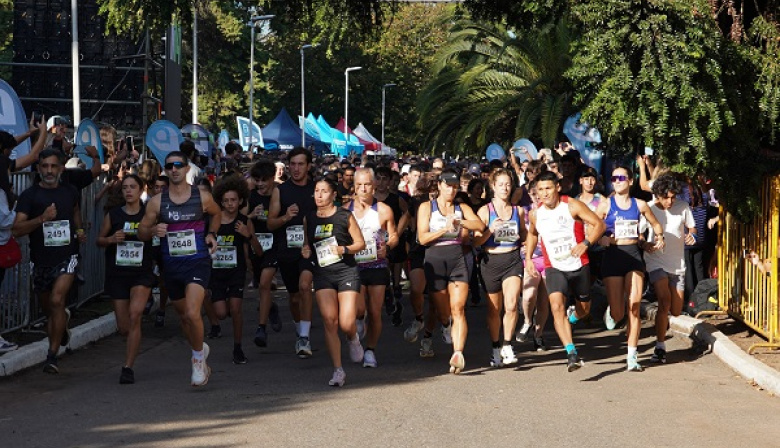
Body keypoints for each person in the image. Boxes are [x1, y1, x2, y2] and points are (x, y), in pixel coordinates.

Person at [138, 151, 221, 387]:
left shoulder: (201, 196)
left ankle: (197, 361)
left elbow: (216, 214)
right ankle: (200, 347)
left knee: (194, 312)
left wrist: (212, 234)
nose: (174, 169)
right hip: (171, 266)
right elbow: (142, 232)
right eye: (169, 166)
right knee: (185, 317)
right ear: (165, 170)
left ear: (186, 169)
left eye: (178, 165)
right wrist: (153, 231)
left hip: (197, 261)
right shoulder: (157, 202)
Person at [13, 148, 87, 373]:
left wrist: (80, 229)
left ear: (62, 168)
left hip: (67, 256)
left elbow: (75, 211)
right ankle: (61, 325)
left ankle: (52, 356)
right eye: (44, 166)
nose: (49, 171)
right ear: (38, 168)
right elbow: (16, 229)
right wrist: (42, 219)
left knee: (56, 300)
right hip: (40, 259)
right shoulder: (30, 196)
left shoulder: (70, 191)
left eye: (54, 166)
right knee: (50, 309)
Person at [524, 171, 605, 372]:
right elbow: (532, 234)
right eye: (540, 190)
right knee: (556, 307)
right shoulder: (536, 213)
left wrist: (586, 243)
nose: (544, 194)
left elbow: (599, 224)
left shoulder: (572, 205)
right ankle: (571, 353)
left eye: (548, 188)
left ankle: (573, 318)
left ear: (557, 187)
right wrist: (528, 259)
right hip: (554, 267)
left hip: (579, 265)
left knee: (584, 309)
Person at [596, 165, 664, 372]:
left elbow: (656, 224)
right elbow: (591, 226)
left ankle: (632, 356)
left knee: (634, 306)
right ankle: (612, 311)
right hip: (613, 256)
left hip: (633, 256)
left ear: (631, 181)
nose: (617, 181)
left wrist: (659, 238)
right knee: (619, 314)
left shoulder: (640, 204)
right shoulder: (605, 204)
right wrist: (601, 238)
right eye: (614, 178)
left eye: (622, 178)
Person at [417, 168, 486, 374]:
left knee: (459, 308)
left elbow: (480, 225)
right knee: (443, 310)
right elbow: (422, 238)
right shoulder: (426, 207)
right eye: (447, 185)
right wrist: (443, 230)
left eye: (455, 186)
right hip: (435, 259)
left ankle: (458, 353)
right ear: (439, 186)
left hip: (457, 258)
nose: (451, 190)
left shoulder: (461, 207)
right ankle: (445, 324)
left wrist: (460, 222)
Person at [301, 177, 366, 386]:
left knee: (347, 322)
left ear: (333, 195)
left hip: (346, 271)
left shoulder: (344, 216)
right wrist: (306, 250)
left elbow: (360, 243)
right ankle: (338, 370)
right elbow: (307, 244)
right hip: (323, 274)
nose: (319, 195)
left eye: (324, 191)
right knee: (330, 321)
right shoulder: (309, 218)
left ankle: (353, 337)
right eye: (316, 191)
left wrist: (343, 249)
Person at [96, 174, 155, 383]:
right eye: (125, 188)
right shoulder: (114, 215)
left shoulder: (149, 214)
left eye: (133, 187)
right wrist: (111, 239)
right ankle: (133, 339)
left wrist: (153, 232)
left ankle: (128, 367)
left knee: (135, 314)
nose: (128, 191)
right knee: (123, 327)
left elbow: (157, 236)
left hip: (141, 272)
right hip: (118, 273)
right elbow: (99, 240)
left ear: (141, 190)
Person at [474, 168, 526, 367]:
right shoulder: (485, 211)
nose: (505, 188)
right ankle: (495, 347)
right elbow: (476, 243)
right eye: (501, 184)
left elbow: (523, 234)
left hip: (512, 260)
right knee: (494, 310)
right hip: (491, 263)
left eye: (508, 184)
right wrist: (490, 230)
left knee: (512, 304)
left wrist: (528, 244)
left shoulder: (517, 210)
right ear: (493, 187)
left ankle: (507, 344)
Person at [208, 174, 263, 364]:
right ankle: (228, 308)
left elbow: (258, 251)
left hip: (236, 272)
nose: (230, 204)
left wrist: (248, 235)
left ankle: (238, 348)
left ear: (240, 200)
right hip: (216, 273)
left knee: (236, 309)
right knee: (222, 313)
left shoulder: (243, 221)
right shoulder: (213, 221)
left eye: (233, 200)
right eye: (226, 201)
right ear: (220, 202)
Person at [267, 147, 316, 358]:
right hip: (287, 249)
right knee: (294, 296)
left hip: (310, 249)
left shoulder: (317, 189)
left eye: (300, 164)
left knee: (306, 287)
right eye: (293, 164)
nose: (296, 169)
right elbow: (270, 223)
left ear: (308, 166)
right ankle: (300, 328)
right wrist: (286, 217)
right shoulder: (281, 190)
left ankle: (304, 338)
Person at [346, 168, 398, 368]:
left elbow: (393, 235)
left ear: (374, 185)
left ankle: (370, 350)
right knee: (358, 309)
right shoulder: (346, 210)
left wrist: (389, 245)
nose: (363, 188)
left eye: (367, 184)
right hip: (354, 266)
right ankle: (359, 320)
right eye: (359, 185)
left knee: (375, 311)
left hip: (377, 265)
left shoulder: (383, 210)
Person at [644, 174, 696, 364]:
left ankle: (661, 329)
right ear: (658, 195)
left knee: (675, 310)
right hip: (655, 261)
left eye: (673, 197)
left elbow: (692, 228)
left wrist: (692, 236)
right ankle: (660, 347)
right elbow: (640, 236)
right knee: (664, 300)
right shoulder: (648, 209)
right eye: (666, 197)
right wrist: (646, 245)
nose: (670, 201)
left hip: (677, 264)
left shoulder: (682, 207)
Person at [246, 160, 283, 347]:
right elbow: (241, 218)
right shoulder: (251, 196)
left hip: (275, 245)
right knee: (263, 286)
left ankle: (261, 328)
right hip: (256, 244)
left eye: (264, 180)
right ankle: (272, 307)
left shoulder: (280, 194)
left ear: (272, 178)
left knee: (264, 284)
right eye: (257, 180)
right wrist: (251, 215)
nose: (260, 184)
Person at [374, 166, 409, 327]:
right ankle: (389, 297)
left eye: (384, 179)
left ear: (389, 182)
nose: (381, 182)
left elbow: (407, 214)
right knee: (383, 269)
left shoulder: (395, 199)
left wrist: (398, 231)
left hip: (392, 239)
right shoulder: (369, 199)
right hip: (374, 240)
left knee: (393, 266)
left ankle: (394, 294)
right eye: (378, 178)